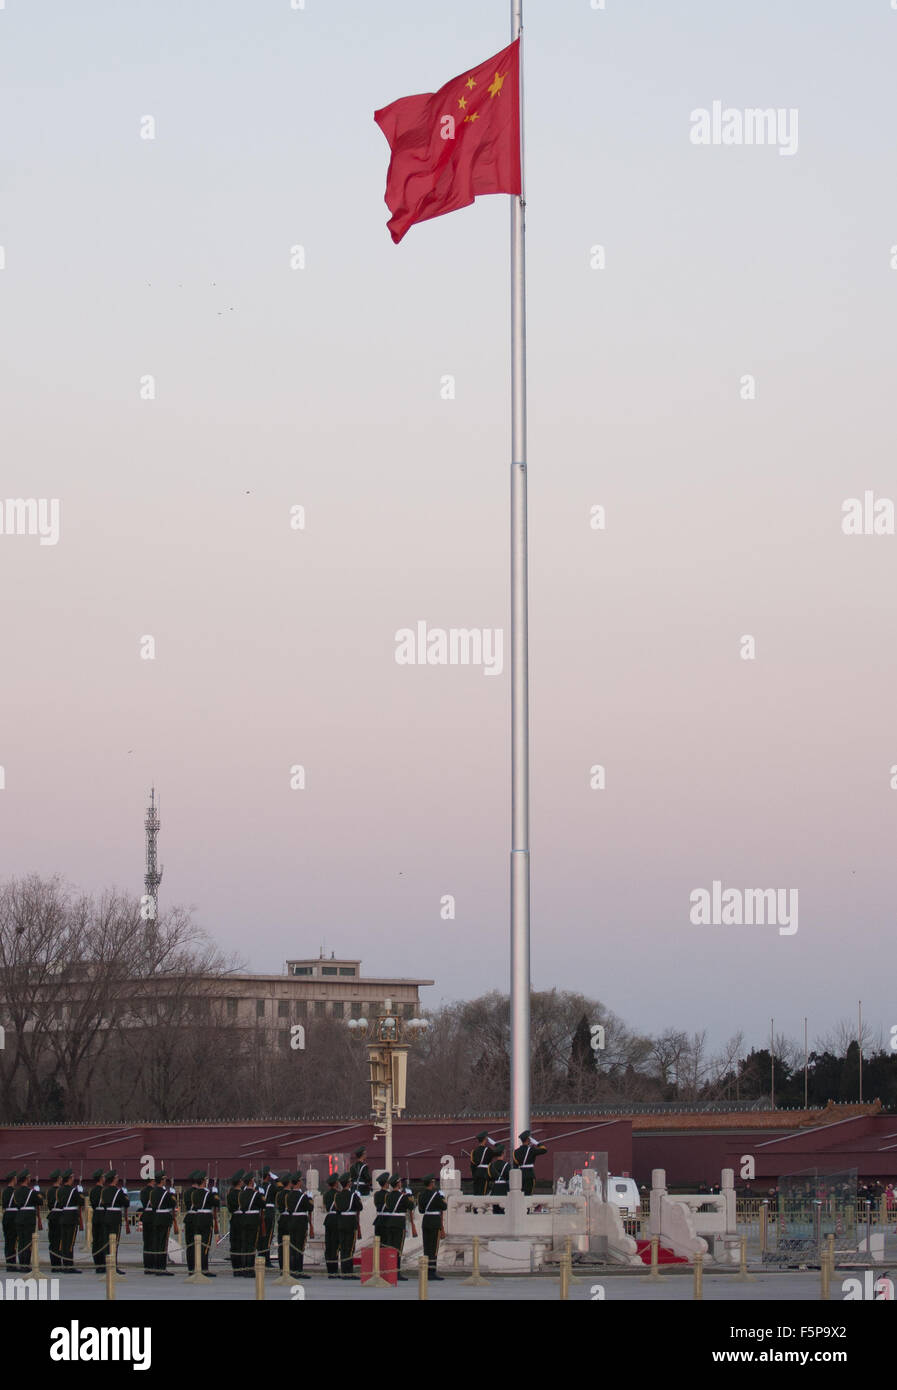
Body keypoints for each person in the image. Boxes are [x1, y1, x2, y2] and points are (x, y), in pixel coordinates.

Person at [185, 1170, 218, 1276]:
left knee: (194, 1245)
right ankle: (204, 1268)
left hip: (196, 1219)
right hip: (205, 1219)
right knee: (205, 1245)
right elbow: (216, 1202)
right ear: (203, 1181)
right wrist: (215, 1192)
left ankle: (193, 1268)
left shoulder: (191, 1193)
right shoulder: (207, 1193)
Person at [384, 1174, 416, 1281]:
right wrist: (410, 1197)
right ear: (398, 1184)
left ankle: (389, 1271)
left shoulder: (387, 1196)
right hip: (399, 1223)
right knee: (398, 1249)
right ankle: (396, 1273)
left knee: (390, 1248)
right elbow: (411, 1206)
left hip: (389, 1222)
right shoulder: (403, 1196)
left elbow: (388, 1207)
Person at [418, 1174, 447, 1280]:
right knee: (434, 1248)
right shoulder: (437, 1195)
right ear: (431, 1183)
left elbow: (421, 1210)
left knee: (427, 1247)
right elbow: (444, 1206)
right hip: (435, 1221)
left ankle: (426, 1271)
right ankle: (432, 1272)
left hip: (426, 1221)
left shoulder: (421, 1195)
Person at [13, 1170, 42, 1273]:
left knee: (21, 1242)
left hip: (19, 1217)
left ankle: (22, 1264)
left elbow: (16, 1203)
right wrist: (38, 1192)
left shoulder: (16, 1192)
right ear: (26, 1179)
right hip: (29, 1219)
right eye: (29, 1177)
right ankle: (26, 1264)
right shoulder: (31, 1192)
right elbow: (40, 1201)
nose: (30, 1179)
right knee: (28, 1242)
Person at [100, 1171, 129, 1274]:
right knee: (114, 1243)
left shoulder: (104, 1191)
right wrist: (125, 1194)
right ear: (113, 1179)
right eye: (116, 1177)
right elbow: (126, 1203)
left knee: (106, 1242)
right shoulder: (118, 1191)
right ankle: (113, 1266)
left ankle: (107, 1265)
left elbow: (103, 1204)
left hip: (107, 1216)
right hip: (115, 1218)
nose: (118, 1179)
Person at [149, 1171, 177, 1276]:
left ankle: (157, 1267)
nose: (165, 1181)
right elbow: (173, 1204)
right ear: (162, 1180)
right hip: (164, 1218)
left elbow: (153, 1205)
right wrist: (173, 1194)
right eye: (164, 1179)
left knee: (157, 1243)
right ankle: (162, 1268)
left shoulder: (152, 1192)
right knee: (163, 1244)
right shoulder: (166, 1193)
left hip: (156, 1218)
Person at [336, 1172, 363, 1279]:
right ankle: (349, 1272)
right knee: (350, 1247)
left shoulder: (338, 1196)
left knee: (343, 1248)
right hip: (351, 1222)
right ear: (348, 1183)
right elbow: (359, 1207)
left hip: (342, 1222)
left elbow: (337, 1209)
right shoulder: (353, 1195)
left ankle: (344, 1271)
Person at [286, 1171, 314, 1278]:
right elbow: (310, 1207)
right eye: (301, 1180)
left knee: (293, 1247)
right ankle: (299, 1270)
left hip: (292, 1221)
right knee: (300, 1246)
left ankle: (293, 1270)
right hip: (301, 1222)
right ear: (298, 1182)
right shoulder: (303, 1196)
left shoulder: (289, 1195)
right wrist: (310, 1199)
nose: (302, 1182)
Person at [57, 1170, 84, 1274]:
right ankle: (69, 1265)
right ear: (69, 1178)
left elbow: (59, 1203)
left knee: (64, 1242)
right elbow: (81, 1201)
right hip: (72, 1217)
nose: (73, 1179)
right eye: (72, 1177)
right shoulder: (74, 1190)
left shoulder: (59, 1190)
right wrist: (80, 1192)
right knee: (70, 1243)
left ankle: (65, 1264)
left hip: (63, 1216)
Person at [238, 1173, 264, 1277]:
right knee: (252, 1245)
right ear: (251, 1182)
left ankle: (244, 1268)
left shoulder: (241, 1194)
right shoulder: (256, 1194)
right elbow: (263, 1204)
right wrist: (260, 1194)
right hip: (253, 1220)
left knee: (245, 1245)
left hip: (243, 1220)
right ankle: (250, 1269)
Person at [513, 1131, 548, 1196]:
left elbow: (515, 1166)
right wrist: (537, 1143)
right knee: (528, 1195)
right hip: (529, 1175)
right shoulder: (531, 1150)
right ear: (528, 1139)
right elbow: (544, 1150)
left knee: (520, 1194)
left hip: (520, 1175)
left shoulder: (515, 1152)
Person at [226, 1171, 245, 1277]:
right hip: (241, 1218)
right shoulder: (241, 1193)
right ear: (240, 1182)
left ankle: (236, 1268)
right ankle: (242, 1267)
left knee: (234, 1244)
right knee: (241, 1243)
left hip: (234, 1218)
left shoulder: (230, 1193)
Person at [322, 1173, 341, 1278]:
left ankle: (330, 1269)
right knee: (334, 1245)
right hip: (336, 1219)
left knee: (328, 1245)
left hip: (328, 1219)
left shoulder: (326, 1194)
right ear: (336, 1183)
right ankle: (334, 1269)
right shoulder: (337, 1194)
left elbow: (325, 1206)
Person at [88, 1168, 106, 1272]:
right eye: (103, 1177)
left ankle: (97, 1263)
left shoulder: (92, 1190)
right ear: (100, 1178)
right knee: (103, 1241)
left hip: (96, 1216)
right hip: (103, 1215)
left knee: (96, 1241)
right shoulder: (103, 1190)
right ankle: (102, 1264)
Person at [45, 1171, 62, 1270]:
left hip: (52, 1216)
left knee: (52, 1240)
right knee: (59, 1240)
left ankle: (54, 1264)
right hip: (60, 1215)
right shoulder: (61, 1190)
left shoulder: (49, 1191)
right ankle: (58, 1263)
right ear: (59, 1179)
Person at [2, 1170, 18, 1271]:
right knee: (13, 1241)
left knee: (8, 1241)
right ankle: (12, 1264)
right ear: (13, 1179)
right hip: (13, 1216)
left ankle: (9, 1263)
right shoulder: (14, 1192)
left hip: (6, 1216)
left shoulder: (4, 1191)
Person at [488, 1145, 511, 1210]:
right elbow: (509, 1178)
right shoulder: (507, 1165)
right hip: (504, 1190)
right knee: (504, 1211)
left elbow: (489, 1178)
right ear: (503, 1153)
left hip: (494, 1189)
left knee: (495, 1211)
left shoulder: (491, 1165)